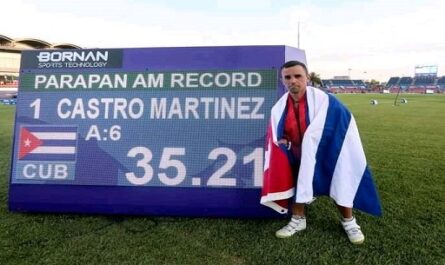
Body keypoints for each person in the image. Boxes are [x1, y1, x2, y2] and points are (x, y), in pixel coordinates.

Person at [261, 60, 382, 244]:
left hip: (327, 152)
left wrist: (319, 144)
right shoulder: (279, 108)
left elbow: (343, 123)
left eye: (298, 76)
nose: (293, 80)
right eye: (288, 77)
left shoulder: (326, 101)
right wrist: (284, 138)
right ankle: (298, 219)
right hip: (298, 155)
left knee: (339, 178)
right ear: (282, 80)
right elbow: (280, 131)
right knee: (296, 181)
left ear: (307, 78)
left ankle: (349, 221)